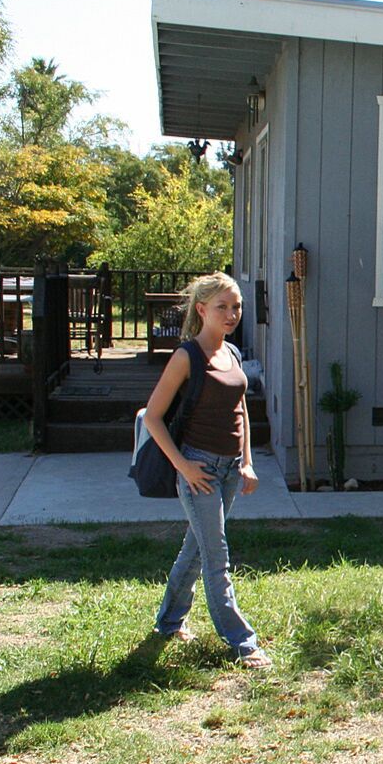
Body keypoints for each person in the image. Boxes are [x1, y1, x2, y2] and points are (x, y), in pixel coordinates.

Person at [143, 273, 272, 669]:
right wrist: (183, 467)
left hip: (231, 468)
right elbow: (152, 417)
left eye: (236, 307)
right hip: (199, 469)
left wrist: (248, 461)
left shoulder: (232, 354)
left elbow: (242, 410)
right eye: (223, 307)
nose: (232, 314)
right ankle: (243, 642)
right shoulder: (187, 356)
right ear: (202, 310)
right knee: (217, 558)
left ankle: (168, 621)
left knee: (198, 548)